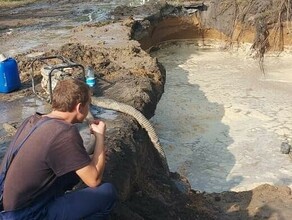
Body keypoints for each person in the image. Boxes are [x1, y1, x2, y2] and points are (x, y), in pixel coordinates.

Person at [0, 79, 117, 219]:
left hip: (7, 206)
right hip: (28, 214)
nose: (88, 110)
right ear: (80, 107)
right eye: (88, 105)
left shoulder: (32, 121)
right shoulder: (64, 133)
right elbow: (94, 179)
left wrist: (89, 160)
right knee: (107, 192)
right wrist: (99, 136)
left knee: (72, 172)